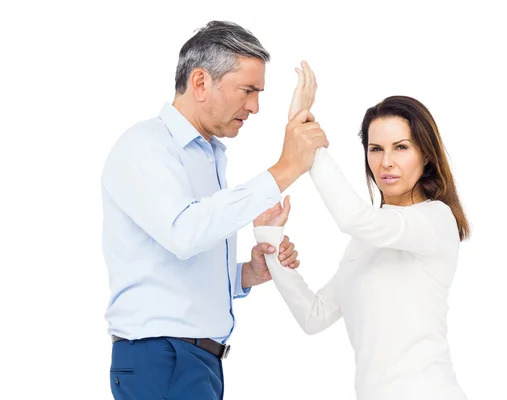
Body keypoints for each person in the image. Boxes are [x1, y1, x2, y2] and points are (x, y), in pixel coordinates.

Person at [100, 21, 328, 400]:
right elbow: (184, 233)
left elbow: (175, 264)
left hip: (195, 360)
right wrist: (285, 168)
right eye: (248, 90)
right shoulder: (145, 146)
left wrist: (246, 275)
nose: (255, 107)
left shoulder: (208, 156)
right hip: (163, 357)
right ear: (201, 82)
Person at [253, 62, 471, 400]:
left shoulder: (435, 219)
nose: (386, 162)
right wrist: (271, 239)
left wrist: (306, 138)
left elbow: (354, 219)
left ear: (425, 155)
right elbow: (315, 316)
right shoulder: (366, 241)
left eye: (401, 147)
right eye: (376, 148)